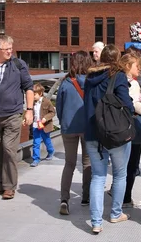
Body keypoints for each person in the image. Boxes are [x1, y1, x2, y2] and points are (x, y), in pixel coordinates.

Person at [83, 44, 134, 234]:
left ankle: (96, 222)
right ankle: (115, 213)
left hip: (92, 133)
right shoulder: (118, 76)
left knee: (98, 176)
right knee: (120, 174)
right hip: (114, 133)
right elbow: (127, 104)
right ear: (118, 59)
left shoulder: (89, 78)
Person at [0, 35, 34, 200]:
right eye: (6, 49)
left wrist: (29, 110)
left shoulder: (18, 65)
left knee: (9, 150)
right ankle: (3, 183)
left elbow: (29, 87)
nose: (10, 51)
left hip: (12, 114)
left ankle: (9, 187)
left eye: (11, 48)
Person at [56, 50, 93, 215]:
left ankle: (64, 199)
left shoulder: (65, 83)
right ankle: (86, 197)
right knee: (87, 162)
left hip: (69, 127)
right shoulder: (92, 81)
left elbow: (59, 107)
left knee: (69, 163)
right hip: (87, 127)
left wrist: (64, 121)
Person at [120, 52, 141, 208]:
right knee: (132, 165)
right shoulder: (133, 84)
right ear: (128, 66)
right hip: (132, 126)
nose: (140, 69)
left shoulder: (116, 79)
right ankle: (126, 198)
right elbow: (135, 105)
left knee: (121, 165)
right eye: (138, 66)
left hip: (117, 126)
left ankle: (119, 196)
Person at [30, 83, 56, 167]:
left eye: (35, 94)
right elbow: (30, 112)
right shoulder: (32, 103)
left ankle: (51, 151)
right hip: (35, 125)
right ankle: (36, 159)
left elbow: (52, 112)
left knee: (46, 140)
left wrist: (45, 118)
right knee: (36, 142)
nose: (33, 96)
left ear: (40, 93)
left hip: (44, 126)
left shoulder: (46, 102)